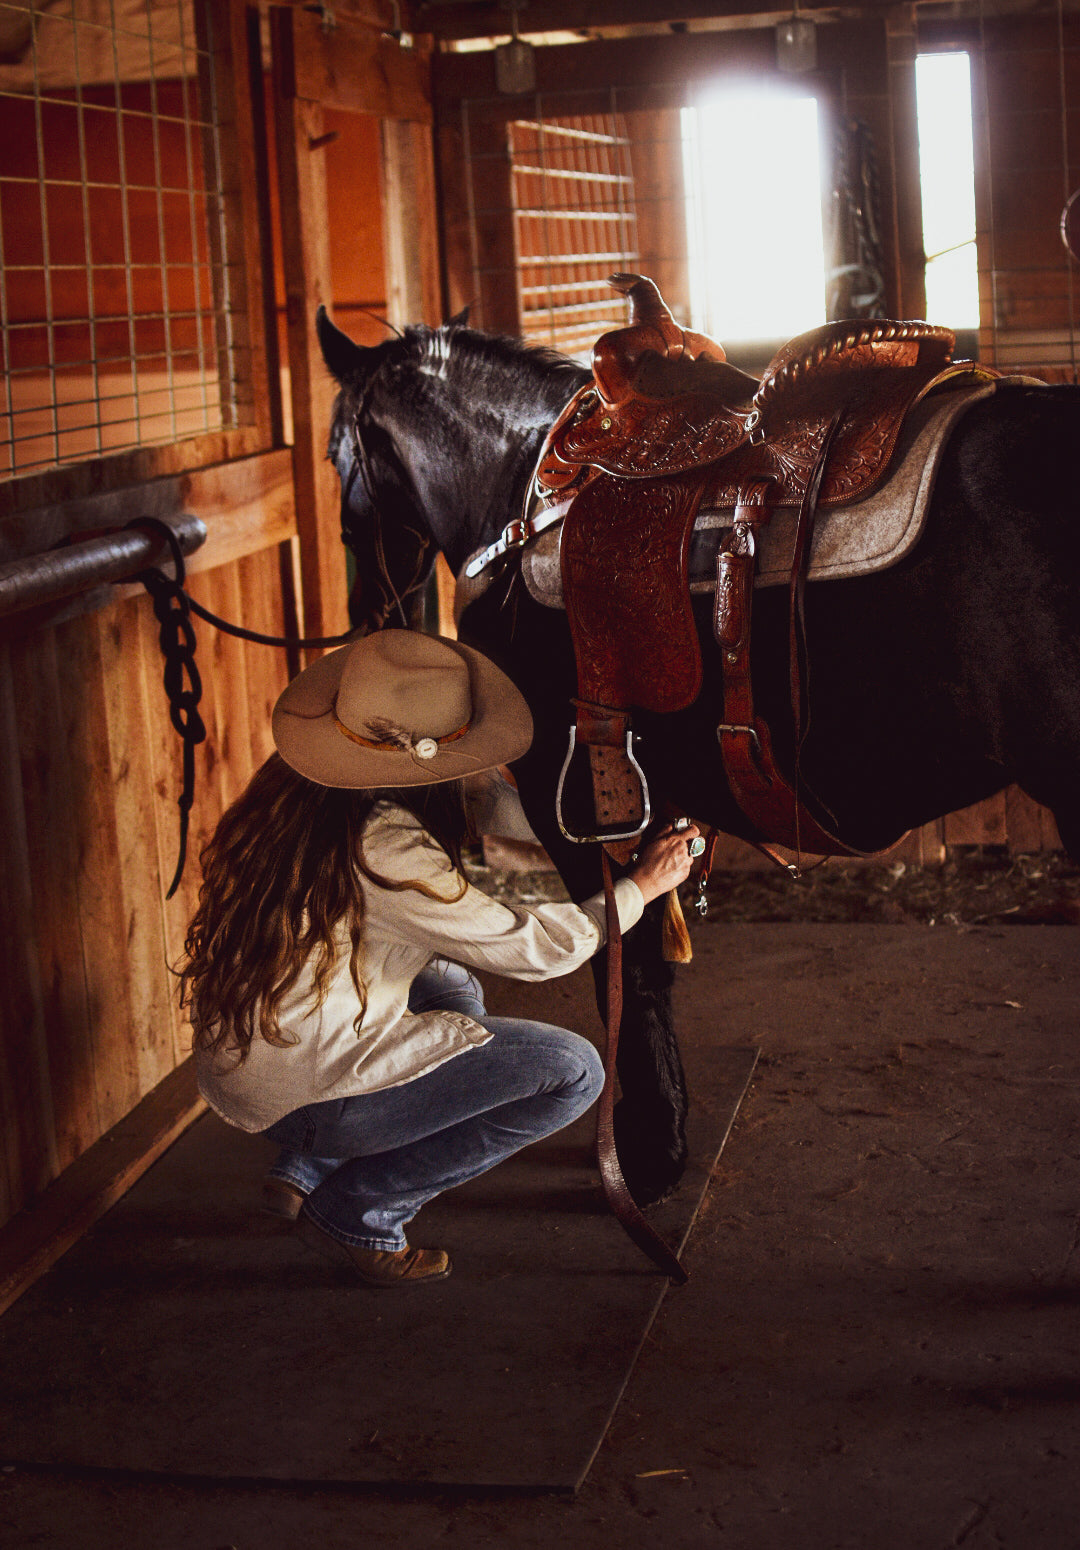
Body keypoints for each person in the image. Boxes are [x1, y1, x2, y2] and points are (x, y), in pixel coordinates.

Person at [180, 629, 697, 1288]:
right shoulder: (385, 849)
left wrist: (515, 799)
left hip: (252, 1065)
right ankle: (361, 1209)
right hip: (308, 1100)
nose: (477, 765)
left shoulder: (295, 791)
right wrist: (643, 888)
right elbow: (537, 947)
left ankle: (301, 1171)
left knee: (448, 983)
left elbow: (482, 836)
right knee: (574, 1071)